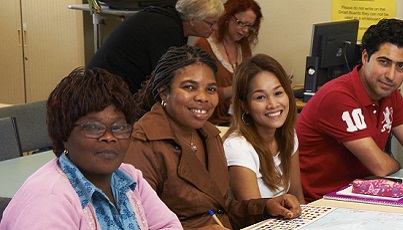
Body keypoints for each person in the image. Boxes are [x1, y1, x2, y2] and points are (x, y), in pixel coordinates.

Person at [125, 45, 301, 229]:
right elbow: (136, 223)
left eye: (210, 89)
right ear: (164, 93)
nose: (203, 97)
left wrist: (266, 207)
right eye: (189, 87)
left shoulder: (209, 134)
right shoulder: (143, 143)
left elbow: (221, 208)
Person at [297, 18, 403, 202]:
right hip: (320, 204)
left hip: (361, 197)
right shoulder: (338, 96)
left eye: (401, 66)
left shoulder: (389, 94)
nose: (391, 76)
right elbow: (380, 167)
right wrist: (398, 164)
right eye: (384, 62)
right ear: (365, 57)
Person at [0, 67, 181, 229]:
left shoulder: (129, 179)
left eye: (119, 127)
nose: (109, 137)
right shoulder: (48, 201)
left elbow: (168, 225)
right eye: (93, 127)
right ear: (63, 132)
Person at [87, 0, 225, 94]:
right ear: (192, 20)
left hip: (109, 84)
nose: (215, 28)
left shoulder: (171, 22)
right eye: (210, 23)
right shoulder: (166, 29)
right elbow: (165, 80)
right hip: (104, 90)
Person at [222, 54, 305, 203]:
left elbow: (297, 198)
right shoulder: (237, 146)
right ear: (244, 105)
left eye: (278, 93)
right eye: (260, 97)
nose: (273, 104)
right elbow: (254, 216)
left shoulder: (288, 136)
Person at [194, 0, 263, 125]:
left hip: (238, 120)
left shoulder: (243, 46)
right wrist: (228, 91)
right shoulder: (204, 45)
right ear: (226, 17)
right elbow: (197, 92)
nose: (245, 30)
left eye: (249, 26)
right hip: (211, 121)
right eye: (241, 23)